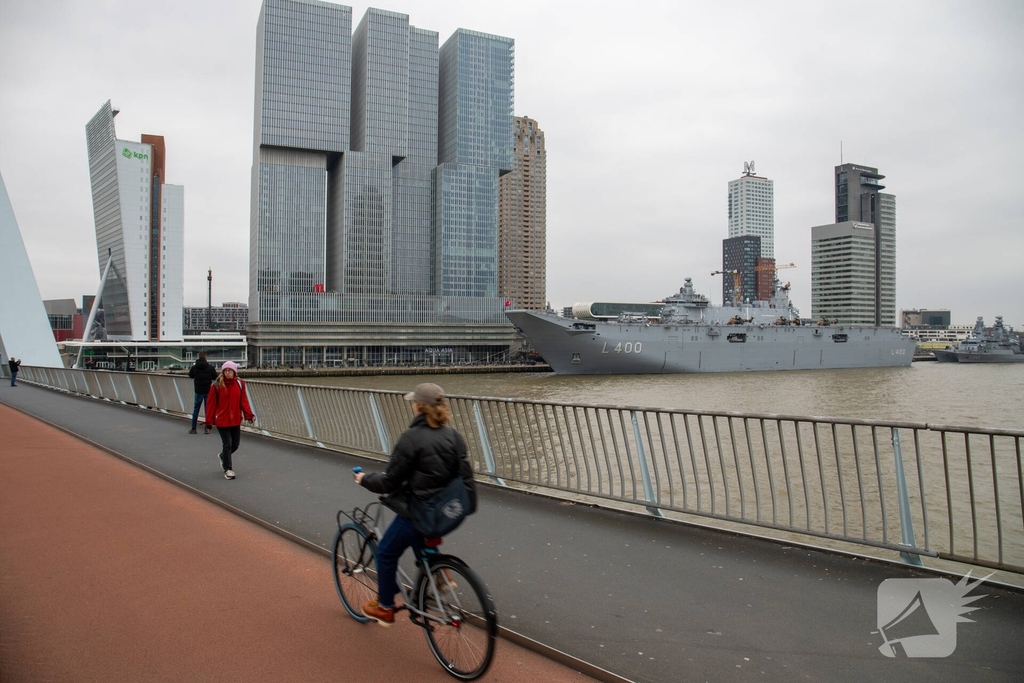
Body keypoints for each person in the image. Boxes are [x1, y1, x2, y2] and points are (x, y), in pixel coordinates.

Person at [354, 382, 476, 626]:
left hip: (419, 511)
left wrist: (364, 479)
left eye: (414, 403)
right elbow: (465, 477)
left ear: (419, 407)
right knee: (420, 538)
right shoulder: (454, 436)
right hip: (447, 511)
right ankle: (439, 572)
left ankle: (385, 608)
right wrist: (467, 505)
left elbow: (389, 481)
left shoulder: (411, 438)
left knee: (386, 552)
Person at [205, 361, 254, 480]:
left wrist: (248, 415)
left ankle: (223, 456)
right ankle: (228, 469)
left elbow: (244, 401)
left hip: (235, 419)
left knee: (235, 445)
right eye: (225, 371)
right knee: (227, 444)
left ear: (234, 372)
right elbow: (211, 405)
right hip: (222, 420)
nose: (227, 373)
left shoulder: (240, 384)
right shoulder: (216, 385)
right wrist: (209, 423)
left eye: (230, 370)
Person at [187, 352, 218, 434]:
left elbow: (191, 375)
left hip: (198, 391)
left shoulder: (194, 367)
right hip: (208, 391)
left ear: (198, 357)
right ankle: (207, 428)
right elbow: (215, 377)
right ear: (205, 357)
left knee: (196, 409)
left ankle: (193, 428)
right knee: (208, 410)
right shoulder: (210, 367)